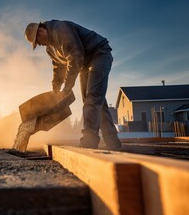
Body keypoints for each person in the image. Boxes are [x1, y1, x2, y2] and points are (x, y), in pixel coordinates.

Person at [24, 20, 121, 149]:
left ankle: (89, 142)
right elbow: (58, 66)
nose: (40, 45)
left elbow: (75, 56)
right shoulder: (50, 49)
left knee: (92, 98)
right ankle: (113, 143)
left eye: (38, 41)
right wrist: (56, 88)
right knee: (96, 101)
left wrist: (67, 87)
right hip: (85, 64)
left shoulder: (60, 29)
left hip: (99, 54)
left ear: (41, 30)